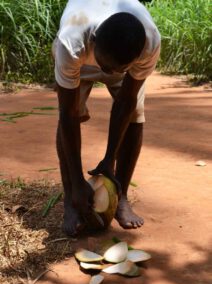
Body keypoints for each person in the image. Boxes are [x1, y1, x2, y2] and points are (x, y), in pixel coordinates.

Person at [53, 0, 161, 236]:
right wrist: (77, 180)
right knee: (71, 112)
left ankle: (121, 196)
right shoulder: (70, 43)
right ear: (93, 41)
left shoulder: (149, 43)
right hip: (82, 61)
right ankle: (71, 198)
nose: (108, 74)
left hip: (119, 58)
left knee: (134, 115)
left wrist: (110, 158)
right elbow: (68, 115)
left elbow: (126, 101)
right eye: (105, 67)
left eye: (116, 70)